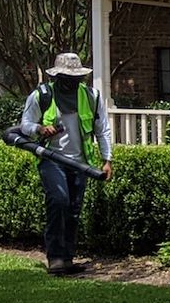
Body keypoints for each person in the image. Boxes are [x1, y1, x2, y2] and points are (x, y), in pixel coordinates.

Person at [19, 53, 114, 275]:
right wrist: (40, 129)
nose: (72, 82)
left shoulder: (91, 97)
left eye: (76, 78)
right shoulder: (42, 96)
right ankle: (55, 258)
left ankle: (67, 259)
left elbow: (103, 130)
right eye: (67, 78)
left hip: (80, 163)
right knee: (59, 200)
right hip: (52, 159)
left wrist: (106, 159)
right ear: (58, 77)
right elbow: (25, 124)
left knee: (73, 209)